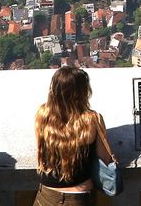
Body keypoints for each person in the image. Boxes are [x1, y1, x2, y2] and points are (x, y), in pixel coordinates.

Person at [33, 66, 117, 206]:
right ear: (83, 91)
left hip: (46, 194)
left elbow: (40, 148)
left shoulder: (42, 114)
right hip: (79, 197)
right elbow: (104, 158)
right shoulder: (92, 119)